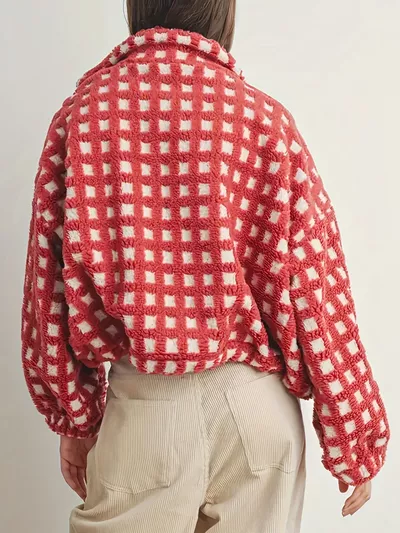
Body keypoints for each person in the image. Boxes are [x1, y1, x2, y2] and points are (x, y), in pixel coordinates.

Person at [21, 1, 389, 531]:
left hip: (147, 413)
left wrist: (73, 418)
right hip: (258, 414)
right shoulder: (265, 119)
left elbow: (48, 289)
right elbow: (317, 286)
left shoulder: (84, 116)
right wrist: (353, 434)